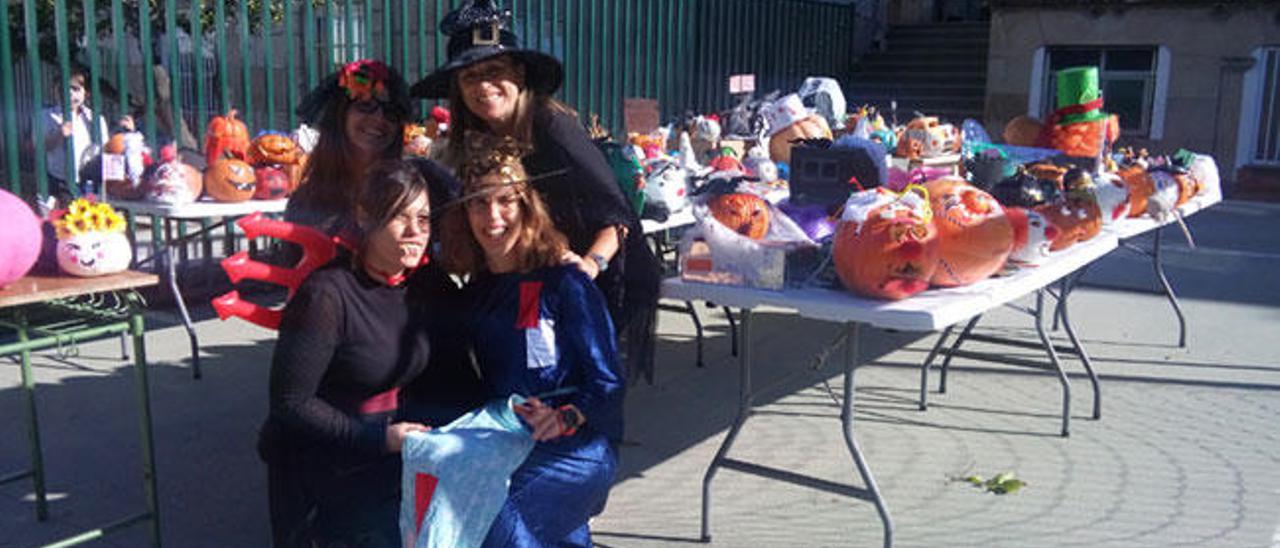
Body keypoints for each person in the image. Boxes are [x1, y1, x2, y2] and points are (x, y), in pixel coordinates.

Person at [411, 0, 662, 382]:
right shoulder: (475, 137)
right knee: (531, 374)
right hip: (537, 272)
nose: (483, 86)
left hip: (599, 272)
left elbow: (619, 214)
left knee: (585, 383)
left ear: (519, 76)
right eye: (469, 77)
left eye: (494, 72)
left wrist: (591, 264)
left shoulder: (553, 127)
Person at [439, 137, 624, 547]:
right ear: (465, 213)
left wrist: (565, 416)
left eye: (505, 201)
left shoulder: (565, 282)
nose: (492, 217)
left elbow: (609, 383)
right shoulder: (477, 290)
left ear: (526, 206)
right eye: (478, 203)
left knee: (492, 511)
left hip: (577, 443)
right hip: (507, 441)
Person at [259, 161, 451, 547]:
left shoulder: (425, 284)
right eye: (399, 216)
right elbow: (290, 402)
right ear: (365, 217)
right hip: (323, 459)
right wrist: (377, 439)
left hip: (391, 452)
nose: (416, 232)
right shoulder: (327, 295)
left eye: (424, 218)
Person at [287, 59, 414, 237]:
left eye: (391, 111)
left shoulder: (415, 189)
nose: (379, 118)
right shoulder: (306, 200)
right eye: (365, 106)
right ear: (340, 115)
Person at [34, 70, 110, 200]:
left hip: (89, 180)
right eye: (63, 88)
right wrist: (59, 134)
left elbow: (105, 149)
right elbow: (40, 147)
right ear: (55, 91)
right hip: (58, 179)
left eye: (75, 89)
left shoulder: (95, 118)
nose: (69, 93)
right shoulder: (45, 116)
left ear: (86, 93)